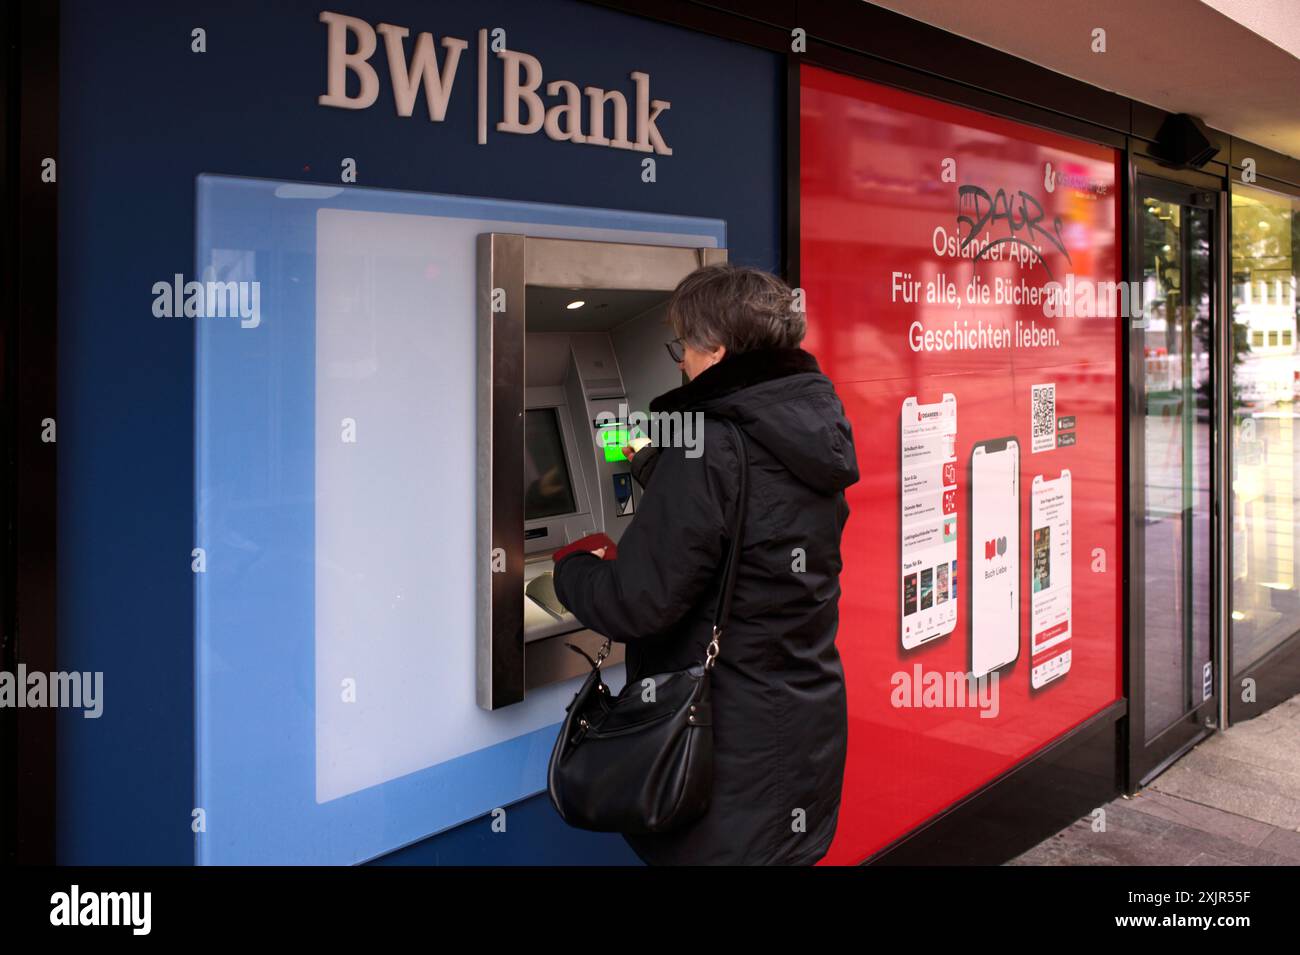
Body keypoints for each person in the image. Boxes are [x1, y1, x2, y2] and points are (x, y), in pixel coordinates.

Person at [552, 262, 859, 866]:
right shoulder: (806, 422)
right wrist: (651, 463)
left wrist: (570, 568)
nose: (679, 361)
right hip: (797, 727)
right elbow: (749, 507)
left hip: (726, 751)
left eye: (683, 346)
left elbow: (636, 602)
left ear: (716, 349)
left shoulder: (710, 442)